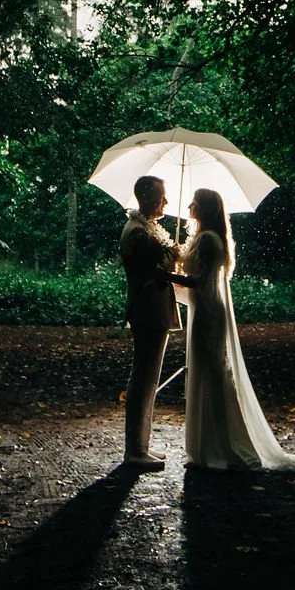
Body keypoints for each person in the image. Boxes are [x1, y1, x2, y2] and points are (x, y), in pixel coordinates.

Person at [166, 188, 295, 474]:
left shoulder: (208, 240)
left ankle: (223, 445)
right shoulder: (208, 238)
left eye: (195, 203)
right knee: (207, 371)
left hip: (209, 314)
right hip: (207, 310)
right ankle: (209, 445)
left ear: (206, 208)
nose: (189, 205)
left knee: (212, 373)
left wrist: (166, 276)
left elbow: (197, 282)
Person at [118, 174, 179, 468]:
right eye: (161, 196)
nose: (165, 202)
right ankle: (135, 451)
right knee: (143, 378)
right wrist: (174, 261)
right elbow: (151, 273)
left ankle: (142, 444)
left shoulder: (146, 229)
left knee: (150, 378)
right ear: (146, 198)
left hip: (154, 309)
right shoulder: (136, 233)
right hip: (147, 309)